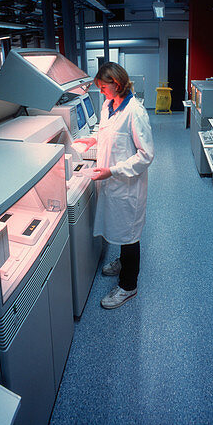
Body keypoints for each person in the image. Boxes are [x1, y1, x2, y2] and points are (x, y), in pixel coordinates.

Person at [75, 62, 154, 309]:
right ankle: (122, 261)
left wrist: (112, 170)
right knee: (119, 228)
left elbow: (146, 155)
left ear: (116, 84)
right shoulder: (108, 106)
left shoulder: (135, 111)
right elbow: (105, 133)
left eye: (103, 87)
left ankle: (128, 286)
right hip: (111, 184)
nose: (101, 91)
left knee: (129, 234)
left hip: (127, 185)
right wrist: (92, 139)